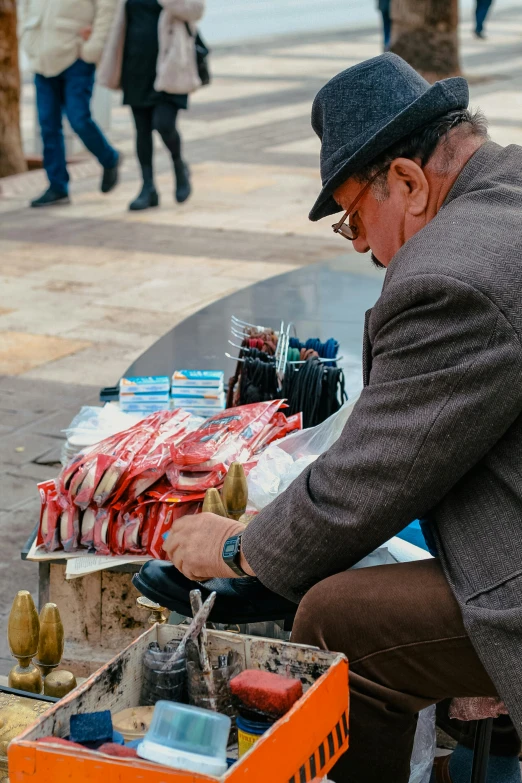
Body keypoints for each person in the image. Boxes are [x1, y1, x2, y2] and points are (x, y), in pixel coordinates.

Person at [137, 54, 522, 783]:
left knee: (338, 617)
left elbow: (373, 475)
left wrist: (242, 547)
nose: (371, 252)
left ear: (407, 181)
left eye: (354, 223)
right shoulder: (508, 190)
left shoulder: (452, 272)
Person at [98, 0, 204, 211]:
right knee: (142, 130)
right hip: (136, 66)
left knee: (164, 124)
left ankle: (179, 165)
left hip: (170, 67)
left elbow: (196, 10)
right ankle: (148, 187)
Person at [19, 0, 122, 207]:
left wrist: (93, 47)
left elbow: (108, 7)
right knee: (48, 125)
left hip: (76, 57)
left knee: (79, 119)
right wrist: (28, 38)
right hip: (42, 58)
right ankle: (57, 187)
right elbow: (25, 6)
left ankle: (109, 158)